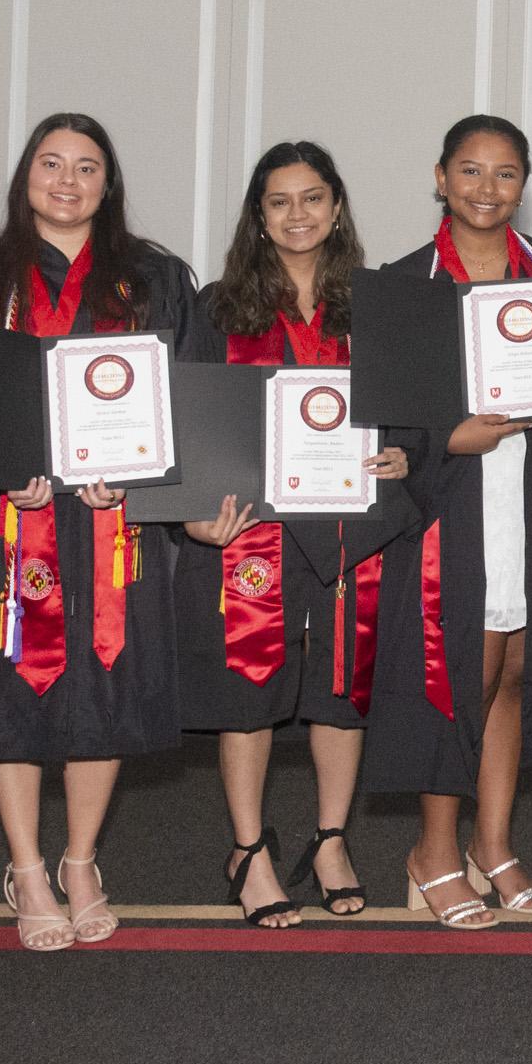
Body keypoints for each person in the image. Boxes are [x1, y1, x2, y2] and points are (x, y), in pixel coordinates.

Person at [0, 112, 207, 951]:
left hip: (112, 523)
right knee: (12, 686)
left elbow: (185, 395)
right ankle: (27, 866)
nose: (68, 181)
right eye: (51, 164)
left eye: (87, 167)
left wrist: (143, 473)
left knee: (104, 684)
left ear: (108, 184)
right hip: (5, 519)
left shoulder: (154, 276)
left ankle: (81, 858)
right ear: (24, 177)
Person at [174, 142, 413, 927]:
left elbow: (410, 409)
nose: (299, 215)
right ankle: (250, 852)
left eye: (313, 198)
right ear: (258, 213)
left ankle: (332, 839)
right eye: (280, 201)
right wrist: (193, 512)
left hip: (349, 525)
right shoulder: (216, 308)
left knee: (341, 685)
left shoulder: (378, 305)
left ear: (338, 206)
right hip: (252, 534)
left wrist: (400, 449)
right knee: (249, 690)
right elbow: (190, 423)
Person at [368, 114, 532, 931]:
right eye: (470, 171)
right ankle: (433, 851)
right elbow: (382, 410)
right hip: (451, 498)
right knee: (456, 674)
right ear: (440, 177)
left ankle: (493, 843)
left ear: (524, 184)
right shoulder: (404, 282)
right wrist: (448, 437)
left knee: (516, 672)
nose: (487, 189)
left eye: (504, 174)